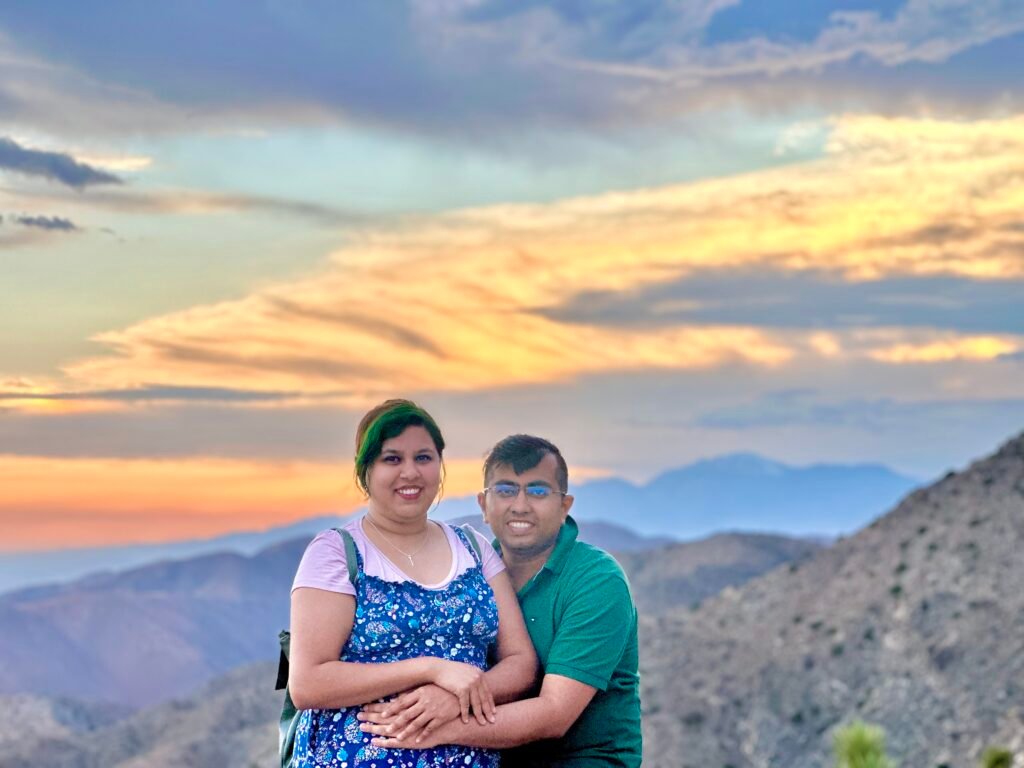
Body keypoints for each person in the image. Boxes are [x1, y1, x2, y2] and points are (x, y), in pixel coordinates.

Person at [360, 434, 642, 767]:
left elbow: (554, 714)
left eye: (538, 491)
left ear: (564, 507)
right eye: (506, 490)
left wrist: (436, 727)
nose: (520, 505)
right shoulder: (469, 574)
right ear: (484, 505)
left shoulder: (595, 580)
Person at [288, 400, 537, 768]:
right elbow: (308, 684)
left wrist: (454, 698)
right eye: (392, 459)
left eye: (423, 458)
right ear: (365, 469)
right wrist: (430, 669)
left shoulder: (473, 548)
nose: (410, 472)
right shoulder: (338, 553)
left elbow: (521, 663)